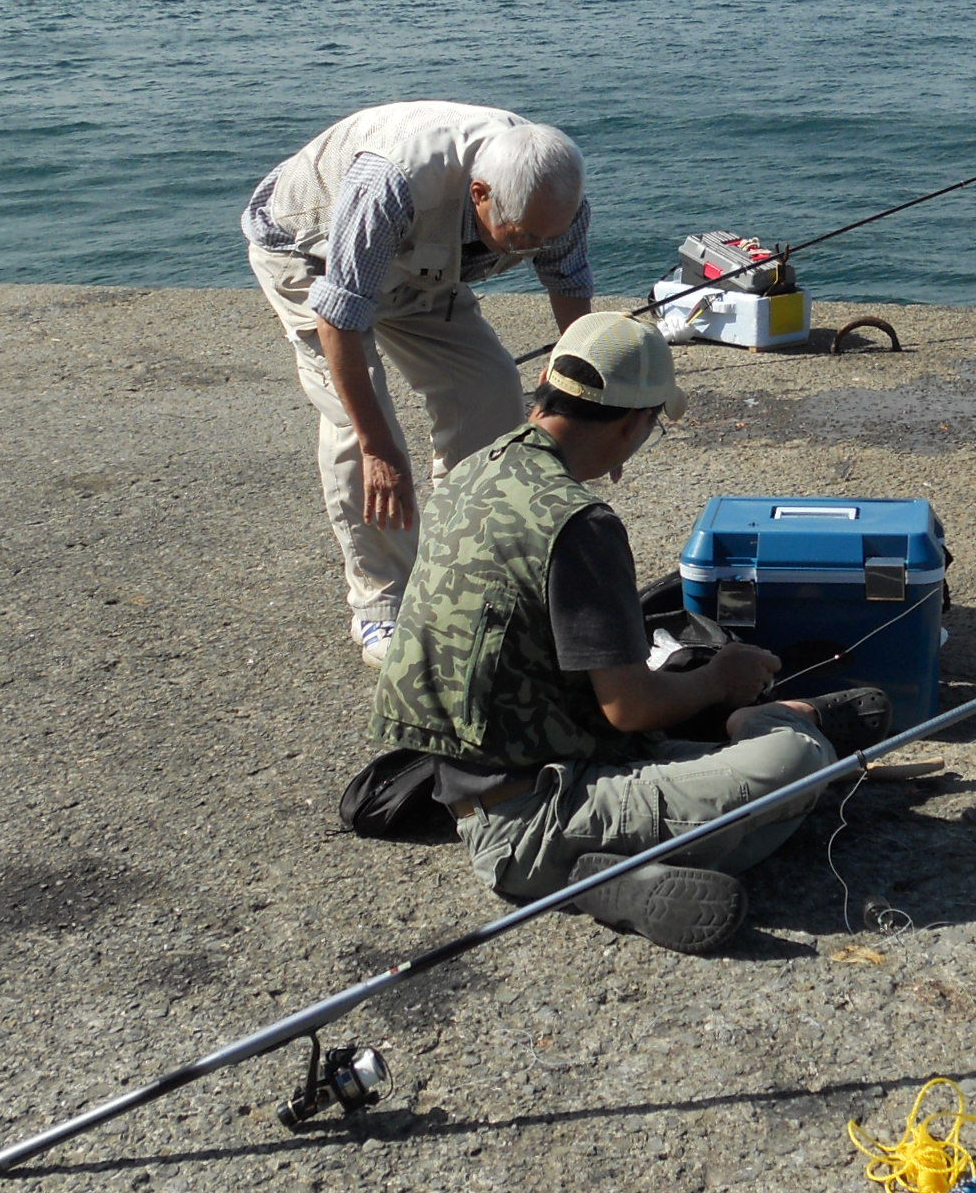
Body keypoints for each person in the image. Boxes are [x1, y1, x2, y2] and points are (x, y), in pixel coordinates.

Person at [367, 312, 886, 954]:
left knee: (733, 743)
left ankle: (627, 854)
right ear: (630, 422)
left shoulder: (473, 471)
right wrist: (723, 680)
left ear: (545, 388)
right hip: (536, 818)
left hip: (481, 786)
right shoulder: (580, 524)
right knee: (797, 766)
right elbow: (629, 707)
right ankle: (770, 730)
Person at [244, 101, 596, 664]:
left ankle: (465, 568)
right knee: (357, 428)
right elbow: (339, 315)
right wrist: (378, 445)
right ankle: (380, 607)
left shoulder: (553, 197)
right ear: (480, 194)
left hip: (423, 264)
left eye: (544, 237)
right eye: (522, 236)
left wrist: (584, 396)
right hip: (308, 256)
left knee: (491, 392)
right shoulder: (392, 181)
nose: (532, 249)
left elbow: (569, 281)